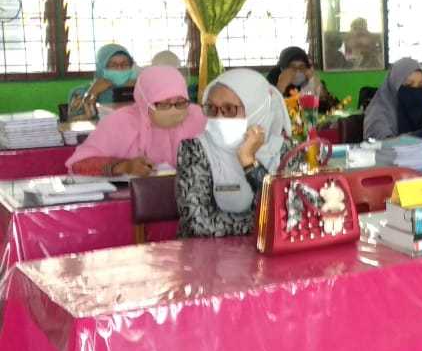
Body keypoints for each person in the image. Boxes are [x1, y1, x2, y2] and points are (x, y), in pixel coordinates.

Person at [177, 69, 290, 238]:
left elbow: (291, 212)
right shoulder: (194, 149)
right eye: (211, 108)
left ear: (256, 110)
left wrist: (250, 163)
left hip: (269, 251)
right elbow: (198, 223)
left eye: (229, 109)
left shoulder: (283, 152)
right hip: (209, 253)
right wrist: (268, 223)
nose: (218, 118)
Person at [67, 66, 206, 176]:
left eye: (180, 102)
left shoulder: (197, 118)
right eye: (163, 104)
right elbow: (78, 164)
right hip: (131, 199)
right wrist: (124, 166)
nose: (174, 110)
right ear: (145, 101)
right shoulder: (120, 123)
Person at [363, 57, 422, 140]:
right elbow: (382, 144)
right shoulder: (379, 112)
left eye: (421, 86)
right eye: (408, 85)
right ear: (394, 86)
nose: (416, 92)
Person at [68, 44, 137, 119]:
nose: (119, 69)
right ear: (101, 67)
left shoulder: (138, 91)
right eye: (113, 65)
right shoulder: (81, 92)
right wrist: (91, 93)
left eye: (125, 64)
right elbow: (72, 120)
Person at [266, 46, 333, 109]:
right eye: (292, 67)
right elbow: (266, 108)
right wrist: (281, 86)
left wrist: (315, 83)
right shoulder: (273, 77)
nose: (298, 71)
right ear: (283, 69)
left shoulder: (309, 78)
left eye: (302, 67)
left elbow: (330, 106)